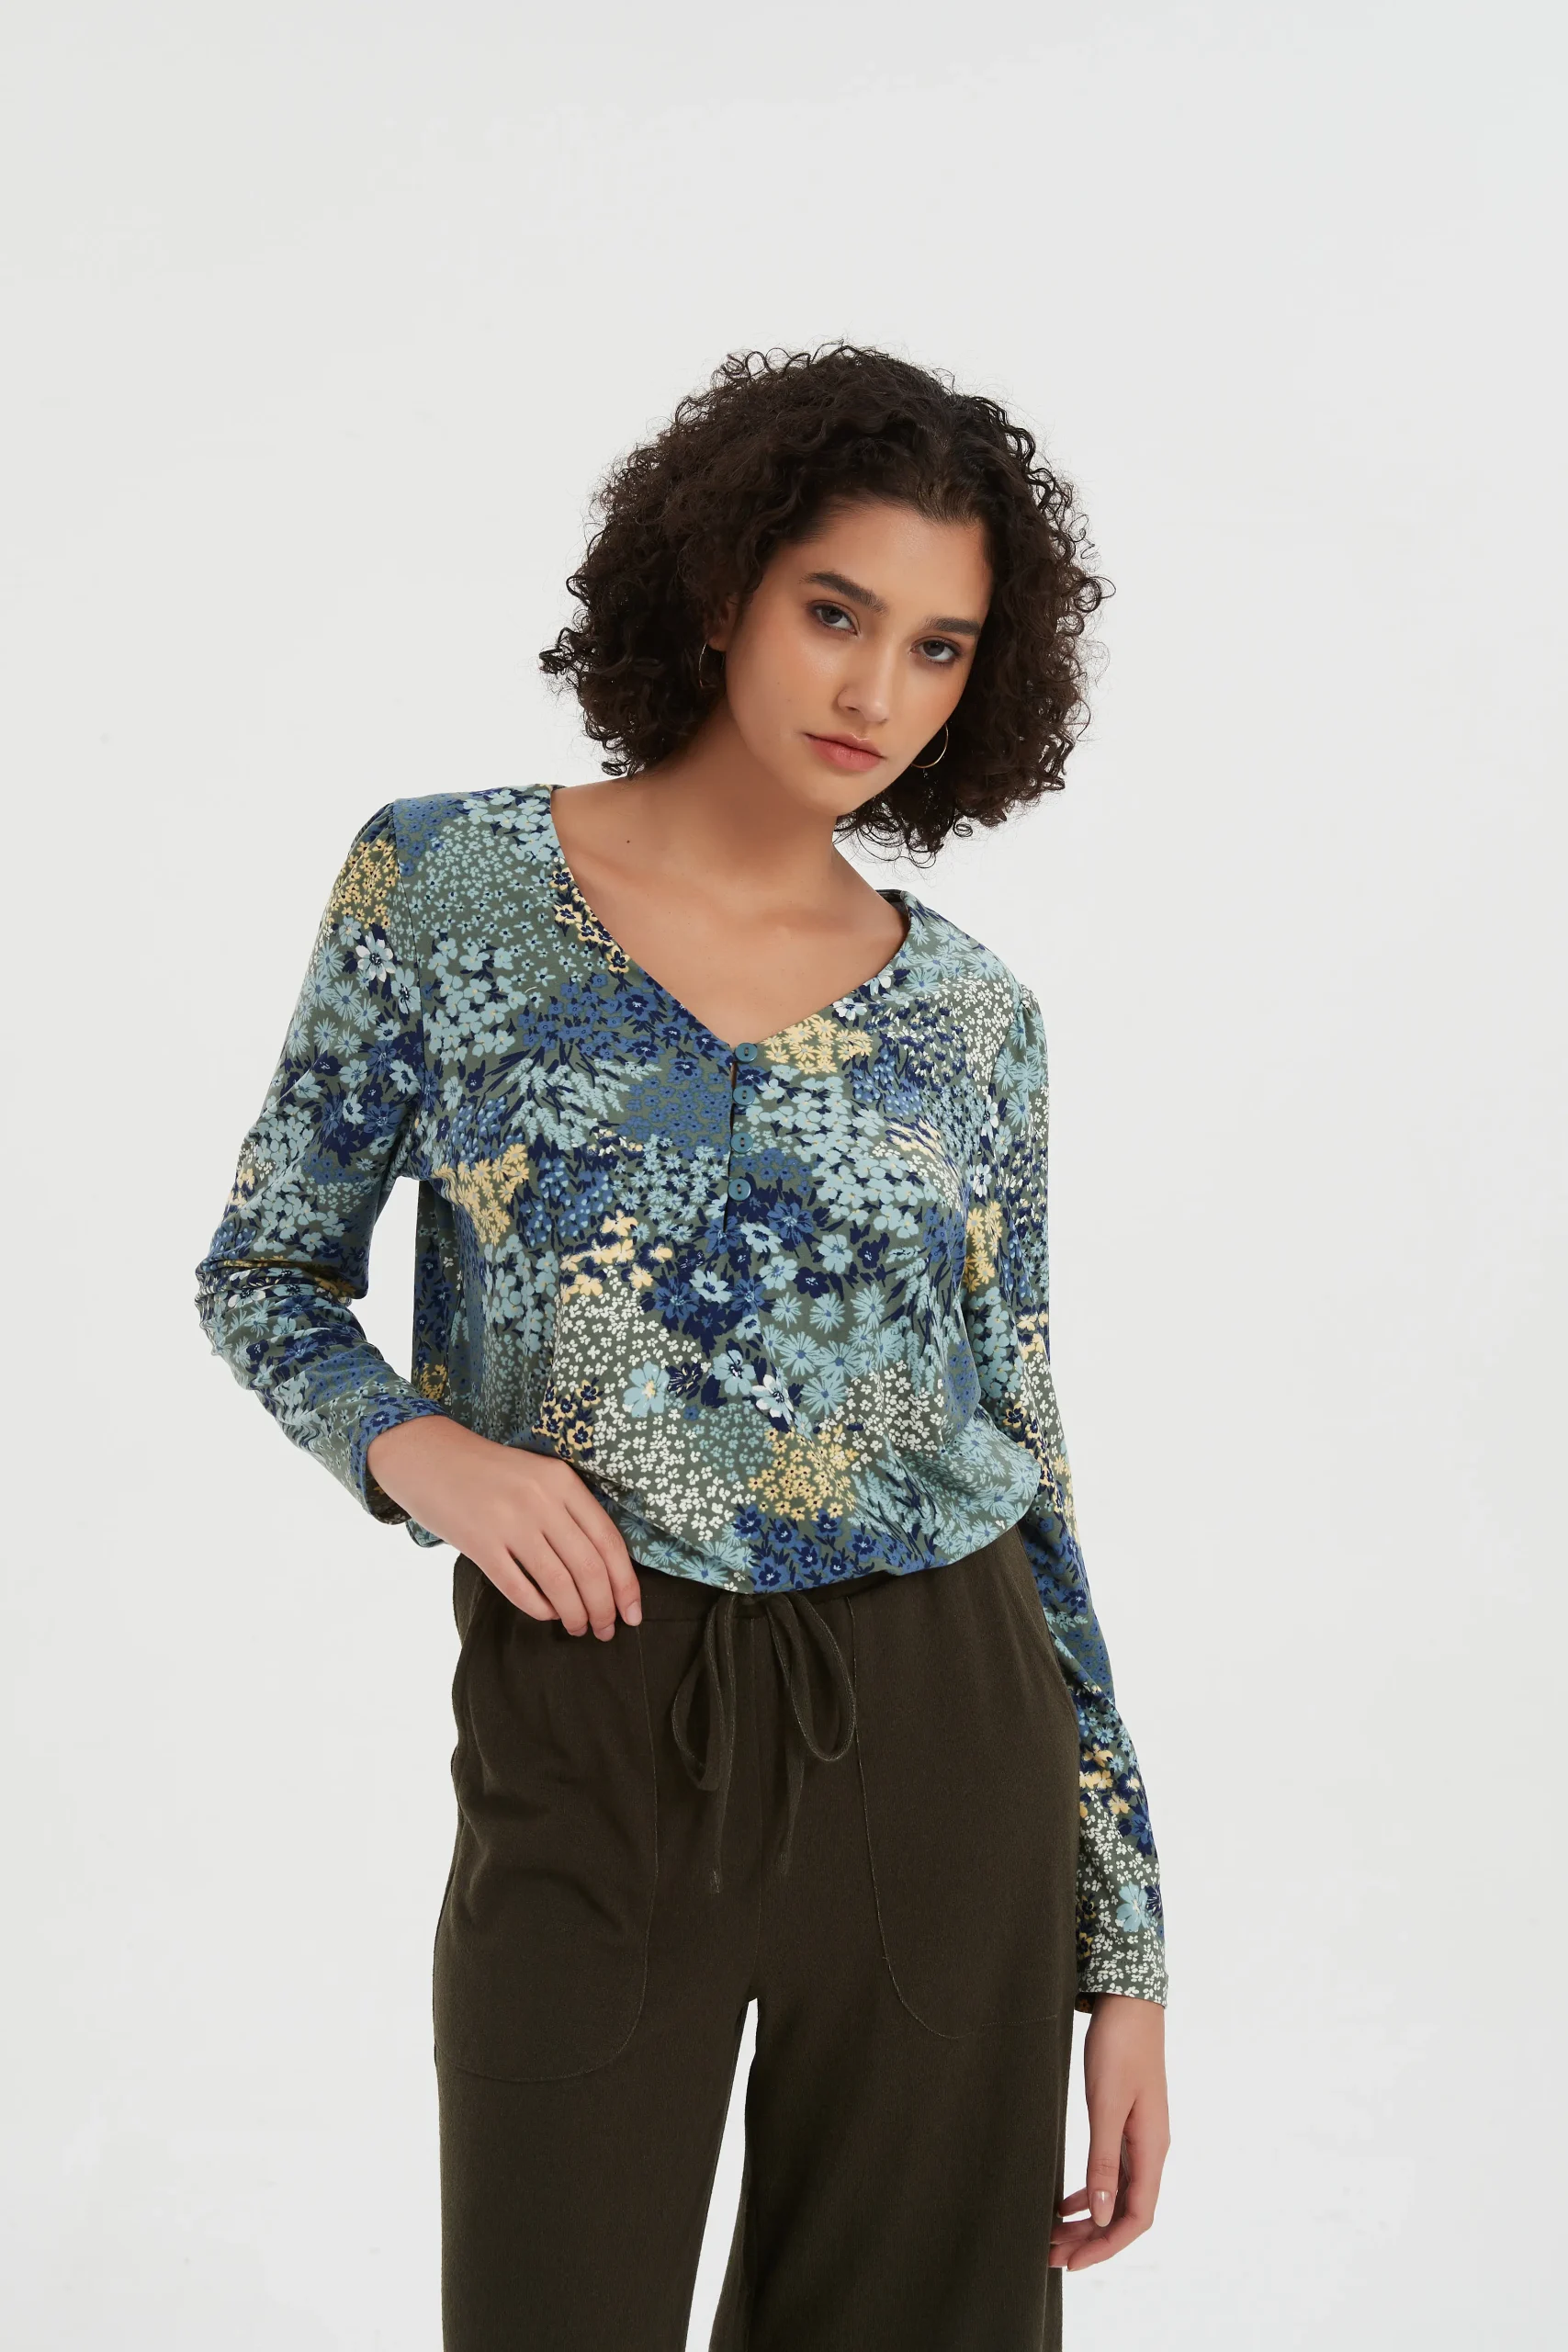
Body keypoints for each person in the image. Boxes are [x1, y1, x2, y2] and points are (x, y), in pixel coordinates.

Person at [196, 341, 1169, 2350]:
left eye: (937, 647)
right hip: (595, 1695)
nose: (872, 691)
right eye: (835, 612)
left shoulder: (973, 1023)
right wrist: (422, 1451)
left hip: (944, 1724)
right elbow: (265, 1268)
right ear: (723, 585)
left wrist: (1124, 1945)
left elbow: (1028, 1452)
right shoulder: (444, 885)